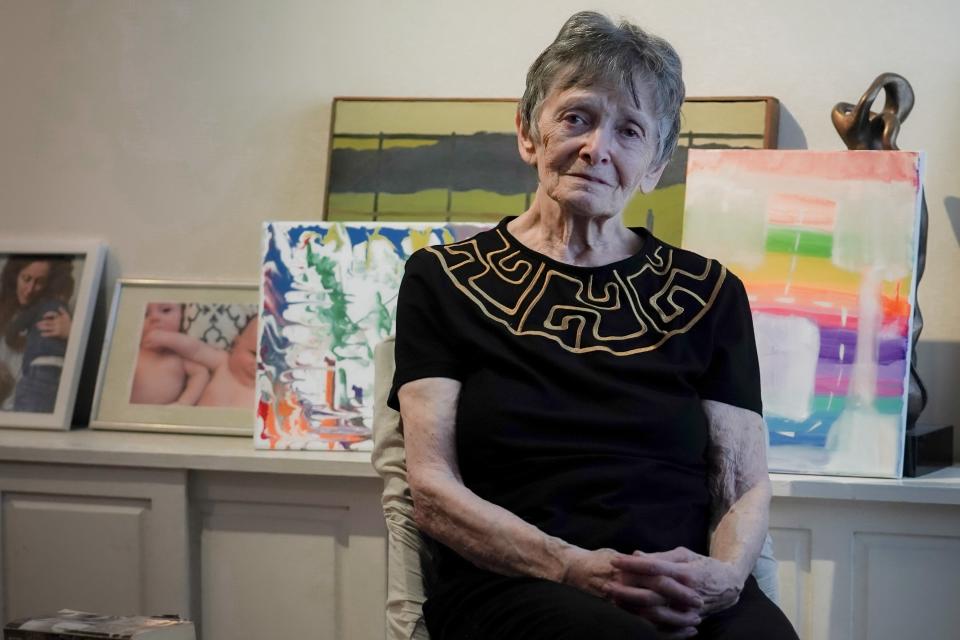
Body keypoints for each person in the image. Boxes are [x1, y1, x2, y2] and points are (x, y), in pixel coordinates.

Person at [387, 11, 798, 640]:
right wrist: (575, 567)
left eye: (630, 131)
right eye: (576, 117)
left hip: (679, 581)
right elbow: (432, 487)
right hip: (518, 582)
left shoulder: (711, 294)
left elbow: (742, 486)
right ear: (528, 133)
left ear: (656, 166)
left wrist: (722, 582)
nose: (597, 148)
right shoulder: (442, 281)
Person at [0, 256, 74, 412]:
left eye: (39, 282)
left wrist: (71, 334)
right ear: (14, 276)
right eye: (26, 279)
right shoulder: (6, 313)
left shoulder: (53, 313)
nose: (30, 289)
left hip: (31, 404)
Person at [139, 314, 257, 409]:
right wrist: (166, 338)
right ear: (236, 345)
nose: (260, 364)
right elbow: (196, 350)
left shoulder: (266, 393)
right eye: (254, 354)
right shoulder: (223, 362)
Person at [130, 302, 210, 405]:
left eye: (166, 310)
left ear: (181, 316)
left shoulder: (178, 355)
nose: (154, 318)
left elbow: (202, 374)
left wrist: (183, 403)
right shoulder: (135, 353)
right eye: (145, 314)